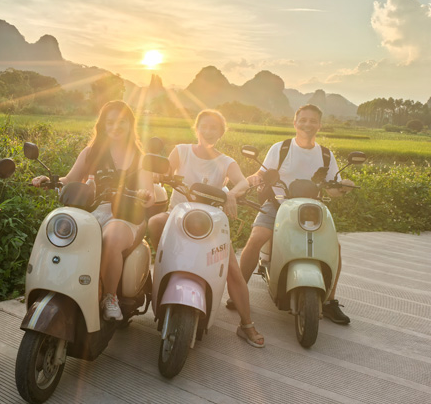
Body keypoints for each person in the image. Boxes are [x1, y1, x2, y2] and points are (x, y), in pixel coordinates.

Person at [147, 110, 265, 348]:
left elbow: (242, 181)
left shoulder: (226, 162)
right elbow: (165, 172)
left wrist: (231, 193)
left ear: (221, 133)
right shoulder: (180, 151)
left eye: (215, 128)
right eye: (205, 126)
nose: (209, 131)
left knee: (233, 269)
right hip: (178, 216)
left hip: (210, 224)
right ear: (197, 128)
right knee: (154, 222)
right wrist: (158, 172)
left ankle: (246, 323)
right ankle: (160, 272)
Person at [31, 100, 154, 321]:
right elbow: (70, 179)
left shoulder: (140, 158)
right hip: (93, 212)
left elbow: (148, 191)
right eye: (111, 122)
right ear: (103, 125)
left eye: (122, 122)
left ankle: (110, 297)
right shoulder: (91, 152)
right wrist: (49, 180)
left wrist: (145, 195)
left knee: (111, 238)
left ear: (130, 125)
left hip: (127, 215)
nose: (116, 127)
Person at [233, 104, 354, 324]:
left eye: (313, 121)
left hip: (313, 208)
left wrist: (344, 186)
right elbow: (261, 175)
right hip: (278, 203)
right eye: (303, 120)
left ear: (319, 125)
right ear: (295, 122)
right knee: (256, 238)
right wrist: (242, 184)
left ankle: (329, 301)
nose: (308, 124)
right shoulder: (281, 148)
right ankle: (239, 291)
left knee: (334, 248)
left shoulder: (326, 155)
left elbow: (332, 190)